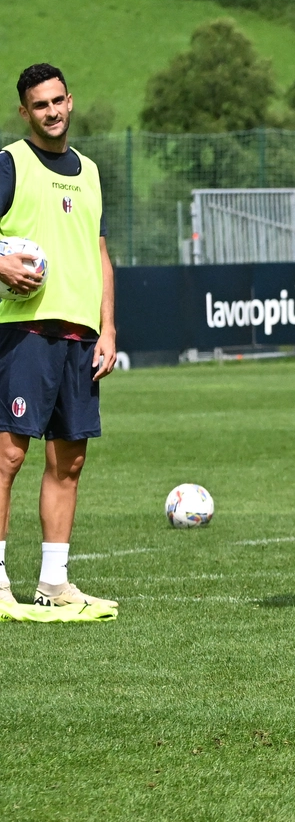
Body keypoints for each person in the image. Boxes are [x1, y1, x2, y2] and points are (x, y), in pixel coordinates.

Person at [0, 64, 118, 608]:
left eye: (57, 101)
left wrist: (108, 327)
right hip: (22, 329)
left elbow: (97, 252)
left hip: (80, 333)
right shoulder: (11, 163)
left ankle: (53, 581)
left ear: (71, 102)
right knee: (8, 455)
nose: (50, 112)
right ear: (25, 112)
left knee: (68, 460)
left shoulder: (90, 171)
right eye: (38, 105)